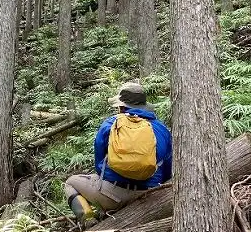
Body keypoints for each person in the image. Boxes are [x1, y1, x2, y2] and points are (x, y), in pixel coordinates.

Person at [64, 81, 172, 223]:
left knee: (70, 183)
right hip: (148, 195)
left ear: (121, 106)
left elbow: (99, 163)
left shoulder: (110, 124)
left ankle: (88, 219)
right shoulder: (161, 130)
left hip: (111, 195)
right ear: (144, 106)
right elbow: (167, 171)